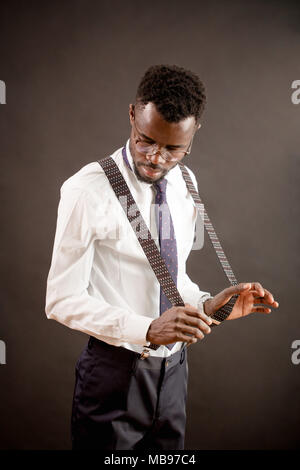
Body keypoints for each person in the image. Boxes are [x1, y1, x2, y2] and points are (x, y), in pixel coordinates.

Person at [45, 64, 279, 450]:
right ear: (132, 115)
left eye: (173, 148)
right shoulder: (86, 190)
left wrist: (207, 306)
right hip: (113, 376)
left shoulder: (186, 183)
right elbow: (60, 300)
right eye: (145, 140)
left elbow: (172, 275)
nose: (156, 158)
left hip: (174, 374)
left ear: (193, 135)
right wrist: (148, 330)